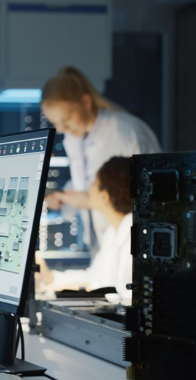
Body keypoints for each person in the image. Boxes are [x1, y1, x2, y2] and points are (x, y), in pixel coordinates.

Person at [40, 66, 160, 250]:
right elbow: (87, 183)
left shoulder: (123, 133)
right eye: (56, 123)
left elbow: (138, 194)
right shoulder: (76, 138)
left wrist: (88, 201)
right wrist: (64, 198)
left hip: (133, 239)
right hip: (104, 243)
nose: (62, 129)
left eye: (67, 118)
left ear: (86, 102)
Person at [35, 156, 133, 299]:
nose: (89, 188)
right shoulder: (112, 233)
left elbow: (121, 295)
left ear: (104, 196)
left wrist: (76, 290)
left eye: (94, 183)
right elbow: (93, 278)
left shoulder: (132, 238)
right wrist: (50, 278)